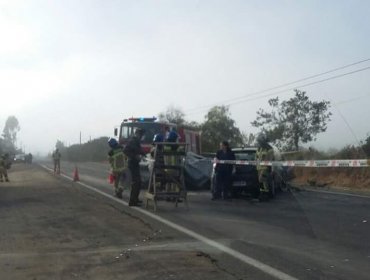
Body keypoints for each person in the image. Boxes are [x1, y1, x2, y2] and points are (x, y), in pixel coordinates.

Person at [123, 128, 145, 206]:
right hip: (132, 163)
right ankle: (132, 201)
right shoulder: (133, 141)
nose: (142, 137)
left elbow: (138, 150)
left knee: (138, 182)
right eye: (141, 135)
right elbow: (125, 151)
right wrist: (134, 157)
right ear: (138, 134)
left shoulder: (136, 141)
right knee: (136, 182)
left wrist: (143, 154)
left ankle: (135, 199)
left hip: (135, 163)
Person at [256, 133, 274, 201]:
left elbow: (270, 160)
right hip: (258, 168)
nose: (259, 142)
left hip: (265, 168)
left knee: (263, 181)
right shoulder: (259, 148)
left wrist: (267, 169)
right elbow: (257, 157)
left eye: (260, 141)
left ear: (263, 140)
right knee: (261, 182)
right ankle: (262, 194)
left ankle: (266, 194)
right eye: (258, 141)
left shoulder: (269, 149)